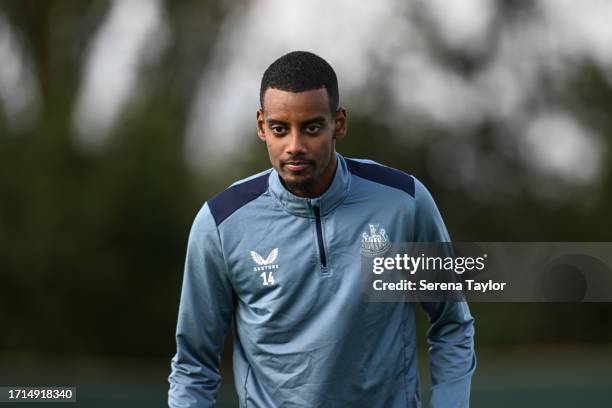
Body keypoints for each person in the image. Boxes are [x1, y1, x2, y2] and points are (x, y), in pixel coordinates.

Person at [168, 51, 476, 408]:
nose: (294, 146)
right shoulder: (221, 223)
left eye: (311, 127)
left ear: (339, 123)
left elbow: (452, 324)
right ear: (261, 126)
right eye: (280, 129)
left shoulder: (403, 202)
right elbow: (194, 366)